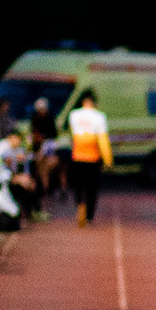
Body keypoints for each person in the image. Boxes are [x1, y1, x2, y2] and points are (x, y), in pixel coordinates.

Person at [67, 88, 113, 226]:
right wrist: (108, 159)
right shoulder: (99, 117)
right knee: (92, 187)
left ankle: (80, 204)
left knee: (79, 185)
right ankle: (89, 215)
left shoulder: (74, 115)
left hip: (78, 155)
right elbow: (103, 140)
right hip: (93, 157)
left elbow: (72, 135)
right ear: (94, 102)